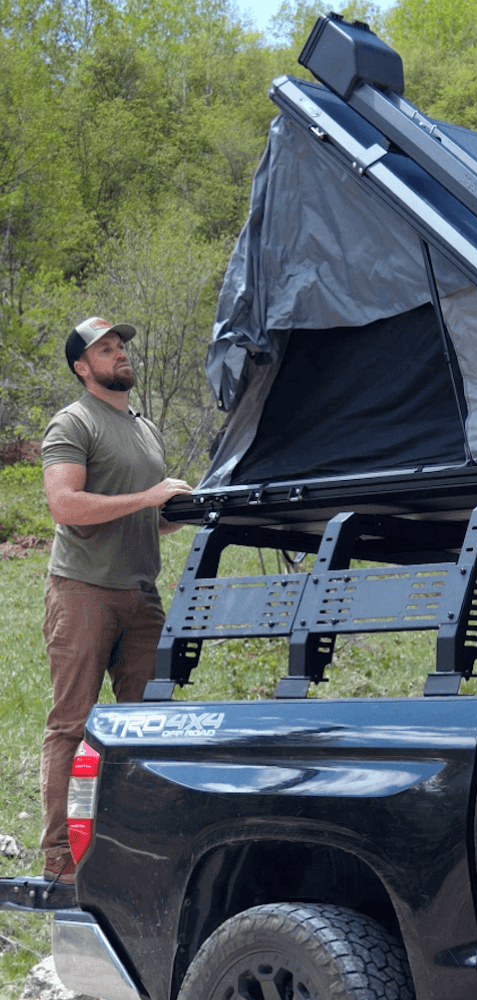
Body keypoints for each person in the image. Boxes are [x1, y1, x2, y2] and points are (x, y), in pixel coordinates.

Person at [39, 316, 193, 883]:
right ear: (83, 368)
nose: (119, 353)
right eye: (106, 349)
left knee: (149, 719)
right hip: (82, 591)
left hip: (140, 594)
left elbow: (142, 516)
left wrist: (180, 511)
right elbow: (66, 506)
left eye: (121, 345)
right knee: (72, 723)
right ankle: (59, 855)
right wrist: (149, 496)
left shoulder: (144, 428)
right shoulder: (73, 423)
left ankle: (137, 845)